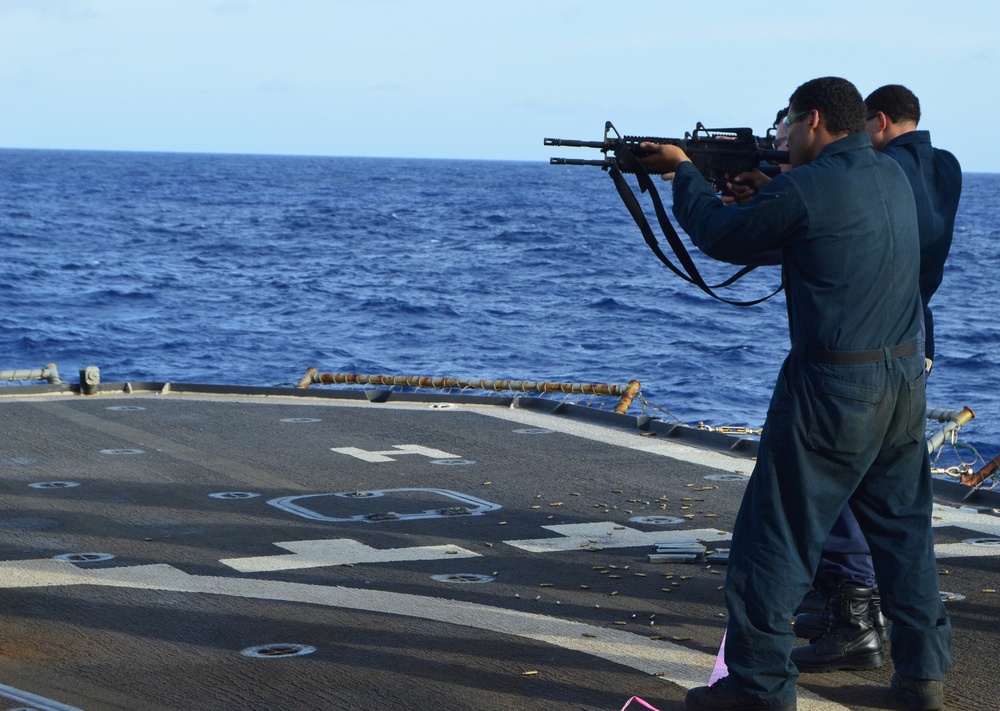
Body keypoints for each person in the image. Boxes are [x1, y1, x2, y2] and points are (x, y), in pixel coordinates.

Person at [639, 77, 951, 711]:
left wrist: (683, 172)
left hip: (833, 389)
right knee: (906, 541)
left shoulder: (809, 188)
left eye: (784, 124)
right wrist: (769, 193)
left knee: (772, 542)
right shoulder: (894, 176)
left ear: (812, 120)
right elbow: (830, 233)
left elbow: (721, 237)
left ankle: (757, 691)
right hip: (902, 384)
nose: (778, 137)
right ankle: (923, 683)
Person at [791, 84, 962, 675]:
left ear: (880, 121)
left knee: (843, 479)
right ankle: (856, 610)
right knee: (889, 495)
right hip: (914, 336)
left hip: (873, 337)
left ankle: (854, 612)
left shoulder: (886, 170)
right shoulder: (945, 167)